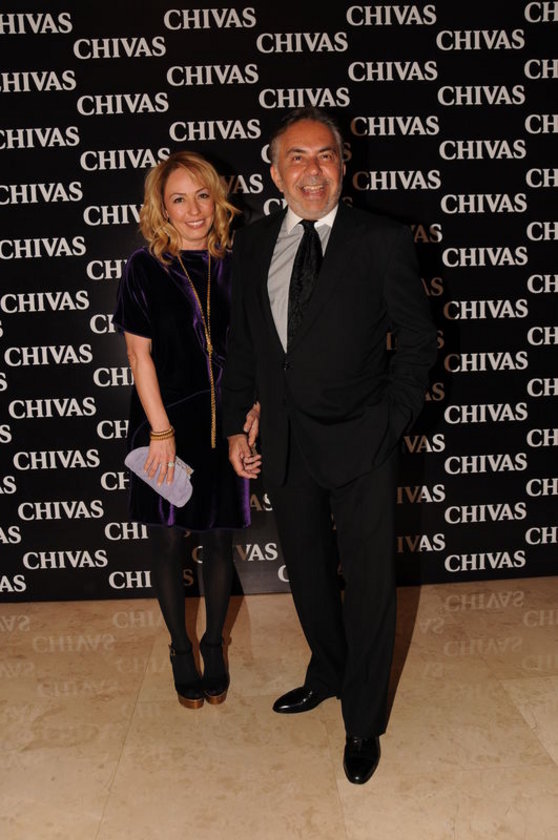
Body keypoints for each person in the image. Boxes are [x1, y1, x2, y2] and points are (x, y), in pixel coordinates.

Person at [222, 107, 437, 783]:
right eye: (297, 157)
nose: (312, 171)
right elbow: (245, 347)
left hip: (364, 440)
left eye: (325, 156)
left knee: (369, 587)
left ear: (344, 165)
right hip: (285, 442)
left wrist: (391, 421)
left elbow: (420, 340)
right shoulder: (253, 243)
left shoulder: (382, 240)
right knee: (310, 577)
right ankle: (329, 672)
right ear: (275, 171)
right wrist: (235, 426)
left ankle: (363, 720)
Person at [113, 150, 261, 710]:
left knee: (220, 539)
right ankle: (180, 648)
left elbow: (257, 352)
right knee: (168, 540)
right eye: (179, 198)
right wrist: (160, 431)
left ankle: (214, 644)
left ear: (217, 199)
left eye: (202, 195)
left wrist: (252, 415)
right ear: (162, 207)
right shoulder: (145, 267)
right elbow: (139, 355)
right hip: (164, 422)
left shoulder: (239, 265)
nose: (194, 209)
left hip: (225, 425)